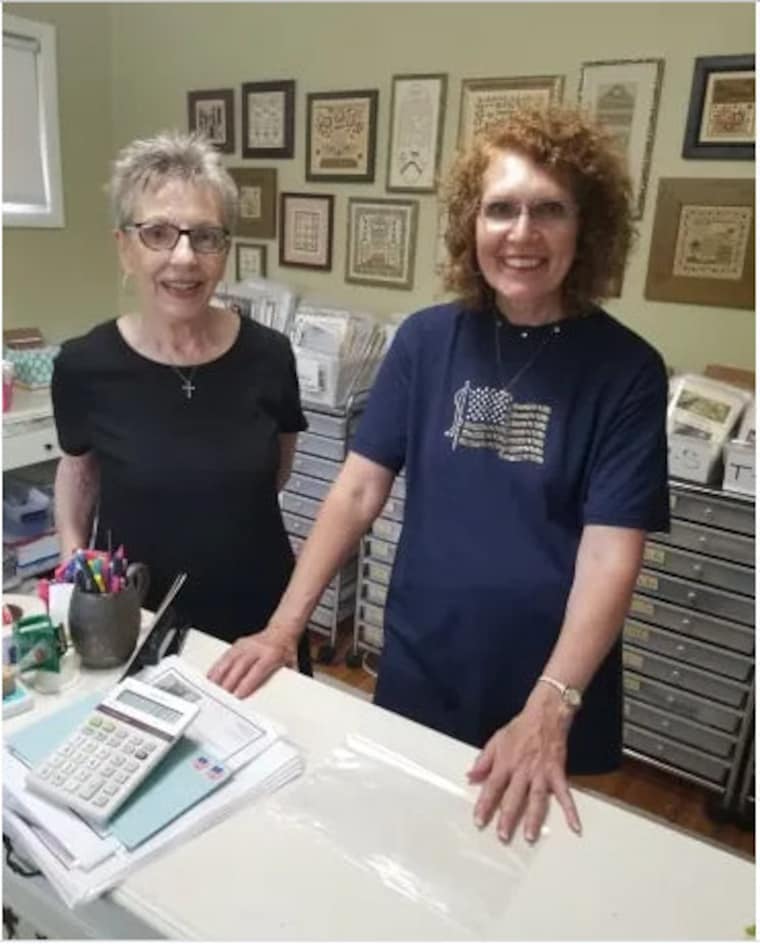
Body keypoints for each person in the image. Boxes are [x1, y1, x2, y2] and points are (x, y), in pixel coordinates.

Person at [208, 105, 669, 841]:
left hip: (549, 675)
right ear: (469, 223)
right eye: (501, 209)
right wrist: (283, 628)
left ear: (587, 227)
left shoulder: (626, 371)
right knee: (406, 841)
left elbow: (612, 551)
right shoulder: (427, 341)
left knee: (519, 858)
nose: (521, 233)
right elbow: (357, 491)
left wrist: (551, 704)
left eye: (550, 209)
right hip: (425, 654)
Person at [52, 130, 311, 673]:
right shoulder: (83, 365)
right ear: (124, 246)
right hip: (135, 619)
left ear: (225, 250)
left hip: (257, 620)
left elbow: (276, 471)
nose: (185, 257)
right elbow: (79, 474)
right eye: (158, 234)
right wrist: (73, 557)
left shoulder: (270, 356)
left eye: (206, 237)